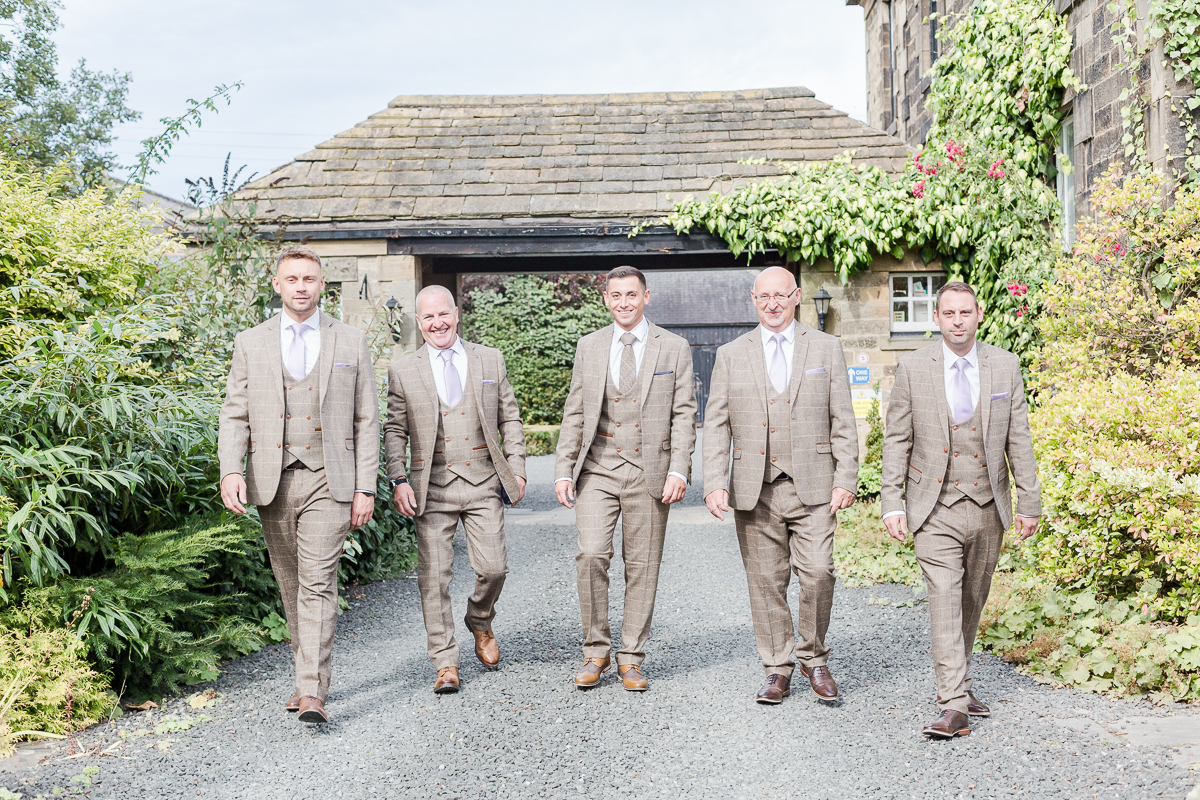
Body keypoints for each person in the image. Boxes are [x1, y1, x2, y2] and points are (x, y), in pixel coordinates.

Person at [218, 245, 379, 724]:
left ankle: (312, 690)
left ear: (321, 283)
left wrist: (365, 487)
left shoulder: (349, 340)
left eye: (309, 279)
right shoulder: (251, 341)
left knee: (317, 582)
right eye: (293, 279)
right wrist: (230, 468)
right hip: (272, 480)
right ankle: (303, 672)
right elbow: (235, 413)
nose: (302, 287)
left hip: (332, 479)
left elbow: (367, 418)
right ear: (278, 284)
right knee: (290, 583)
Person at [882, 281, 1041, 739]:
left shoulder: (1004, 366)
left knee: (972, 598)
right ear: (937, 318)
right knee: (946, 598)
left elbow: (1019, 440)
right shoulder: (914, 368)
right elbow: (897, 440)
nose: (957, 320)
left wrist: (1029, 501)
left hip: (988, 504)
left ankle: (960, 680)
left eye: (964, 312)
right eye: (948, 313)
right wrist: (891, 501)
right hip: (934, 506)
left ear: (979, 314)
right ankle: (953, 702)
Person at [703, 266, 858, 705]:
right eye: (764, 296)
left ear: (796, 297)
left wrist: (846, 477)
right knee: (765, 581)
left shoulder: (826, 348)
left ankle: (814, 656)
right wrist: (715, 481)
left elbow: (843, 420)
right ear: (754, 299)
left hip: (814, 485)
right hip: (755, 488)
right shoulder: (732, 354)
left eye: (781, 295)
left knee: (818, 573)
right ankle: (777, 666)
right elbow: (716, 424)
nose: (772, 303)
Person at [554, 265, 696, 691]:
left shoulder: (673, 347)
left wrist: (679, 468)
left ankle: (631, 657)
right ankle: (595, 650)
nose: (623, 302)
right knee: (592, 556)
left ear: (646, 297)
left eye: (631, 294)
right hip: (597, 468)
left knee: (643, 565)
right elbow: (575, 410)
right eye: (615, 295)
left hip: (649, 470)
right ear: (606, 299)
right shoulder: (589, 346)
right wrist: (563, 468)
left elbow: (685, 413)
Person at [384, 285, 526, 694]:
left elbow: (510, 418)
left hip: (483, 480)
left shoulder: (489, 359)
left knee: (494, 568)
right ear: (419, 321)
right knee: (434, 579)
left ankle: (479, 618)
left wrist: (516, 469)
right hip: (432, 487)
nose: (437, 323)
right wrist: (399, 479)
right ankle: (445, 663)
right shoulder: (403, 370)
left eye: (443, 314)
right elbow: (394, 429)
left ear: (456, 313)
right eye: (427, 317)